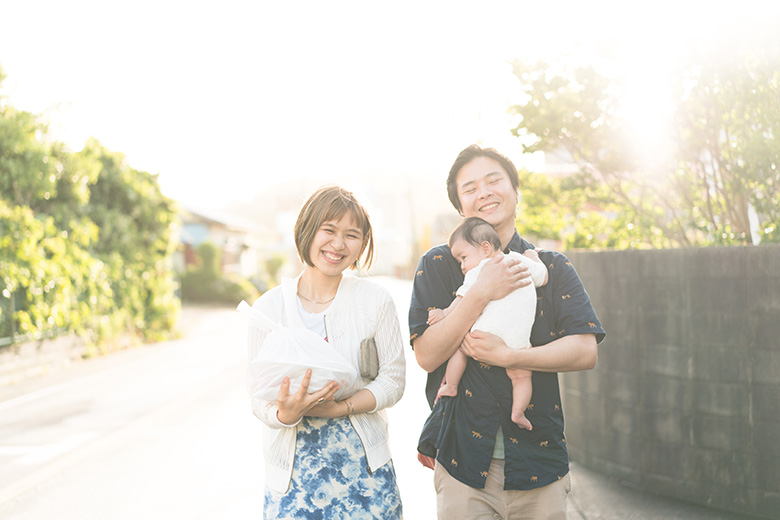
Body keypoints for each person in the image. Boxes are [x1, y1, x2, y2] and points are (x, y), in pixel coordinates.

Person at [409, 144, 605, 519]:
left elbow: (585, 350)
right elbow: (427, 355)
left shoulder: (549, 266)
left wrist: (512, 357)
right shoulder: (438, 264)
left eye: (493, 180)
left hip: (538, 460)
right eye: (469, 188)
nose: (483, 192)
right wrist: (481, 292)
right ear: (461, 206)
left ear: (515, 190)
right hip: (462, 461)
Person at [248, 185, 405, 520]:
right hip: (292, 481)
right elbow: (258, 398)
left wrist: (342, 407)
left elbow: (393, 380)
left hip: (367, 474)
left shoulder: (375, 301)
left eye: (352, 235)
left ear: (363, 243)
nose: (338, 244)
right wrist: (284, 415)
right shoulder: (268, 308)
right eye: (329, 230)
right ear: (307, 230)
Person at [426, 216, 548, 430]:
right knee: (521, 376)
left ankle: (451, 386)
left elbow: (461, 299)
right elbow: (543, 277)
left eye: (463, 257)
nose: (462, 265)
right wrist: (533, 257)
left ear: (485, 248)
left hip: (483, 335)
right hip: (518, 341)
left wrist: (443, 313)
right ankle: (518, 412)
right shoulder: (521, 261)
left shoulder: (480, 270)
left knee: (459, 348)